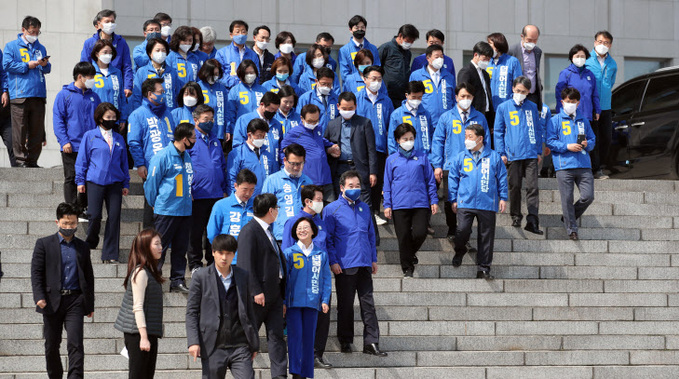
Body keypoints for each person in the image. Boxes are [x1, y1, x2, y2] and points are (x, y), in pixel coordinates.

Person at [323, 170, 386, 357]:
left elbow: (370, 235)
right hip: (344, 264)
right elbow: (328, 239)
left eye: (357, 186)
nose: (354, 189)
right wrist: (333, 261)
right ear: (342, 187)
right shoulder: (331, 209)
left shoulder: (365, 208)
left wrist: (373, 258)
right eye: (350, 186)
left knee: (368, 304)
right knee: (346, 305)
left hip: (364, 263)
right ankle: (345, 340)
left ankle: (371, 342)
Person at [30, 203, 95, 379]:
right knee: (52, 345)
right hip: (51, 301)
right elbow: (36, 272)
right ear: (57, 222)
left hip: (75, 301)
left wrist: (89, 304)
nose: (69, 227)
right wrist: (39, 296)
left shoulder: (82, 247)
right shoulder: (44, 244)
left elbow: (88, 276)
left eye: (72, 223)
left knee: (75, 344)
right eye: (65, 223)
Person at [186, 234, 260, 379]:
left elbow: (249, 311)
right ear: (213, 252)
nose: (224, 258)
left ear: (234, 254)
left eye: (228, 253)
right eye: (220, 253)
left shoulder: (243, 276)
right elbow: (191, 312)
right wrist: (193, 342)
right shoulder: (200, 277)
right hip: (213, 346)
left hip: (240, 345)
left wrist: (254, 343)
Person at [280, 185, 334, 369]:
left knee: (323, 318)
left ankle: (317, 354)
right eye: (319, 199)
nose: (321, 202)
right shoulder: (294, 222)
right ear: (307, 201)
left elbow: (328, 245)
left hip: (319, 277)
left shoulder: (320, 221)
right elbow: (286, 253)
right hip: (299, 281)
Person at [237, 193, 288, 379]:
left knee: (277, 338)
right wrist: (255, 290)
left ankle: (280, 375)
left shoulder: (268, 231)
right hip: (258, 296)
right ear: (271, 210)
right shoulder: (249, 231)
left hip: (274, 294)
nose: (278, 212)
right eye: (277, 209)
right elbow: (245, 264)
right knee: (249, 337)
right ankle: (243, 373)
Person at [431, 82, 490, 241]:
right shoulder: (446, 117)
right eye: (462, 96)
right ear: (456, 97)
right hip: (451, 166)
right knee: (451, 198)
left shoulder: (479, 118)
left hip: (473, 167)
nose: (465, 99)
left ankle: (465, 234)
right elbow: (438, 141)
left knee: (468, 201)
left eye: (469, 96)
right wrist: (437, 165)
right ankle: (452, 230)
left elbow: (487, 143)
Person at [449, 124, 508, 280]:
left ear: (480, 138)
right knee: (462, 230)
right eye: (465, 136)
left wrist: (503, 198)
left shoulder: (493, 157)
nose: (466, 140)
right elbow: (453, 178)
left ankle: (483, 268)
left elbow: (502, 178)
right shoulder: (461, 156)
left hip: (487, 202)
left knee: (486, 236)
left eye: (470, 136)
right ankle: (460, 249)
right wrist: (453, 198)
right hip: (465, 202)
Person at [144, 122, 195, 293]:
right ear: (185, 139)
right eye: (193, 137)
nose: (195, 140)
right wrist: (154, 203)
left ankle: (177, 280)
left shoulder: (186, 156)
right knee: (160, 246)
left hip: (185, 210)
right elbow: (151, 183)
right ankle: (154, 279)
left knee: (181, 248)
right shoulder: (163, 156)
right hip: (166, 209)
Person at [75, 102, 130, 263]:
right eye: (108, 117)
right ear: (100, 118)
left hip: (115, 183)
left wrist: (125, 183)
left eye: (114, 117)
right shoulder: (90, 136)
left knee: (114, 217)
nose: (111, 120)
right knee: (94, 215)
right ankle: (91, 242)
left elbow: (124, 163)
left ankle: (110, 254)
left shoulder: (119, 138)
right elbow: (82, 160)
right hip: (95, 181)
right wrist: (80, 180)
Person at [383, 123, 438, 277]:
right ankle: (407, 269)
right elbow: (387, 184)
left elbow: (430, 180)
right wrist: (387, 204)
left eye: (411, 138)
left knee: (420, 232)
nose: (408, 141)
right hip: (399, 205)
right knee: (403, 237)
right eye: (405, 138)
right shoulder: (391, 160)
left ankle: (409, 253)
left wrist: (433, 199)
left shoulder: (422, 157)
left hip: (420, 203)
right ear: (397, 140)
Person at [494, 76, 544, 235]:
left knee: (532, 187)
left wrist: (538, 151)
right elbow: (498, 132)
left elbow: (537, 130)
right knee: (514, 186)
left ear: (528, 92)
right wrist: (501, 152)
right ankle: (515, 215)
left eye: (523, 92)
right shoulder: (503, 108)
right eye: (517, 91)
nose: (520, 94)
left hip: (530, 153)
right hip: (512, 154)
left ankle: (532, 219)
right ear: (513, 89)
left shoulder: (532, 107)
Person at [284, 217, 332, 379]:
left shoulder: (321, 254)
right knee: (295, 338)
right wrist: (284, 301)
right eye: (299, 228)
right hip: (293, 303)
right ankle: (296, 373)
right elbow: (283, 280)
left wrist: (325, 300)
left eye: (305, 227)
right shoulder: (289, 253)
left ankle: (306, 374)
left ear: (313, 231)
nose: (302, 230)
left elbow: (326, 279)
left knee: (308, 339)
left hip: (312, 303)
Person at [114, 229, 165, 379]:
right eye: (156, 244)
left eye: (160, 243)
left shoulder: (150, 271)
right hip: (138, 334)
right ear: (145, 247)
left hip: (149, 332)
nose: (160, 247)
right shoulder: (141, 272)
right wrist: (143, 337)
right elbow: (138, 307)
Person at [546, 87, 596, 241]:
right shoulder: (555, 120)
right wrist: (567, 146)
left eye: (573, 102)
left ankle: (569, 216)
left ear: (578, 103)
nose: (570, 104)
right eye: (567, 102)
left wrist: (587, 144)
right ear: (562, 102)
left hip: (583, 164)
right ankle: (571, 229)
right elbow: (550, 141)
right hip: (564, 165)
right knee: (567, 198)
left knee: (588, 196)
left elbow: (593, 140)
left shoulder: (583, 120)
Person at [53, 62, 102, 215]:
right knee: (71, 177)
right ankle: (72, 210)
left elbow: (99, 119)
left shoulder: (94, 96)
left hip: (90, 146)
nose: (93, 80)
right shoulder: (64, 95)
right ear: (80, 77)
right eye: (90, 77)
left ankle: (83, 208)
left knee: (88, 177)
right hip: (71, 145)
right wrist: (64, 141)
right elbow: (58, 119)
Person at [127, 78, 176, 228]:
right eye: (160, 92)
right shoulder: (138, 114)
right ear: (150, 94)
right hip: (151, 167)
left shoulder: (168, 114)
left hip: (169, 166)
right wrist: (140, 164)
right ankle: (148, 239)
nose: (164, 94)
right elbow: (133, 142)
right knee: (151, 203)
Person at [4, 16, 51, 167]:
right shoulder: (11, 46)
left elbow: (47, 68)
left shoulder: (40, 47)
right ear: (23, 30)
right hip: (20, 94)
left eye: (37, 32)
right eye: (32, 31)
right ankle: (20, 160)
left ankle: (32, 161)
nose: (35, 35)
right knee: (20, 130)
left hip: (38, 94)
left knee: (37, 130)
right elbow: (7, 65)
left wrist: (44, 64)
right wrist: (26, 66)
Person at [187, 105, 228, 275]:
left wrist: (225, 189)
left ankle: (213, 261)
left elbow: (222, 167)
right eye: (205, 119)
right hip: (197, 194)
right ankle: (195, 263)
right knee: (195, 232)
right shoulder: (190, 139)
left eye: (211, 119)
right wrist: (188, 190)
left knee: (215, 232)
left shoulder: (216, 141)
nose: (209, 122)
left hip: (217, 194)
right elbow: (185, 166)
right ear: (195, 120)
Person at [355, 66, 394, 221]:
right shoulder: (357, 98)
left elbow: (391, 125)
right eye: (373, 79)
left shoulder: (386, 100)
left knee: (376, 182)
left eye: (379, 79)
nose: (376, 82)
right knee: (361, 180)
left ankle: (376, 211)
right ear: (365, 79)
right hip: (360, 148)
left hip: (379, 146)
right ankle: (361, 211)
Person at [324, 92, 377, 206]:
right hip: (339, 168)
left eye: (350, 108)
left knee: (364, 204)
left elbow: (371, 149)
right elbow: (325, 146)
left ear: (355, 106)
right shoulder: (332, 124)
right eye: (344, 108)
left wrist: (372, 172)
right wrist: (330, 150)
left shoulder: (364, 123)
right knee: (342, 204)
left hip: (359, 167)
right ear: (338, 106)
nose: (347, 111)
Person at [280, 104, 339, 198]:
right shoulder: (295, 133)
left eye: (316, 120)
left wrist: (331, 146)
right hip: (309, 180)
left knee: (330, 209)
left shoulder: (318, 128)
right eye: (310, 121)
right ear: (302, 118)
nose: (313, 124)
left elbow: (320, 140)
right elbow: (283, 150)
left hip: (325, 177)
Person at [262, 143, 313, 241]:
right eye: (293, 163)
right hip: (281, 236)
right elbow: (264, 210)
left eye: (300, 164)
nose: (296, 167)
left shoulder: (308, 181)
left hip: (304, 237)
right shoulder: (272, 180)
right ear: (285, 160)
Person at [555, 45, 600, 150]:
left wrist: (597, 110)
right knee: (569, 141)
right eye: (577, 56)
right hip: (570, 116)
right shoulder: (566, 73)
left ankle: (582, 164)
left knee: (582, 143)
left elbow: (594, 94)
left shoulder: (590, 75)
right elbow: (559, 94)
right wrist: (560, 112)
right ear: (571, 57)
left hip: (585, 116)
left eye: (582, 56)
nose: (580, 58)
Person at [80, 9, 133, 97]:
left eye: (112, 21)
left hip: (116, 86)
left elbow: (127, 67)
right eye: (107, 21)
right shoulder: (90, 43)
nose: (110, 24)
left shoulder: (121, 43)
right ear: (99, 24)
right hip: (96, 86)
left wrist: (128, 86)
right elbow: (84, 66)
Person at [585, 31, 617, 180]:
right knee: (594, 139)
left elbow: (610, 83)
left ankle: (600, 167)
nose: (602, 45)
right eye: (599, 41)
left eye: (606, 43)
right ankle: (595, 170)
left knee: (607, 138)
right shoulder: (587, 61)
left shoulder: (612, 64)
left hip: (606, 106)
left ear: (610, 45)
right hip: (591, 106)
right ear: (594, 42)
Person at [206, 168, 257, 258]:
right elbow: (212, 233)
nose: (248, 193)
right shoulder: (221, 205)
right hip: (228, 259)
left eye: (252, 190)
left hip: (251, 258)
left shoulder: (256, 205)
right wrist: (221, 253)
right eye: (244, 189)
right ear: (235, 186)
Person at [232, 91, 283, 168]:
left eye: (276, 110)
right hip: (252, 167)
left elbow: (281, 148)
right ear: (262, 105)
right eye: (272, 109)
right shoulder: (244, 120)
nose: (274, 112)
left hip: (273, 169)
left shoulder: (277, 125)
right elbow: (238, 146)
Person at [409, 44, 456, 126]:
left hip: (445, 123)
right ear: (428, 58)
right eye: (436, 57)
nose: (440, 59)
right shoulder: (416, 75)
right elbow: (410, 99)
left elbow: (454, 99)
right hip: (424, 122)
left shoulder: (449, 77)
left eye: (442, 57)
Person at [227, 119, 276, 197]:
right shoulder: (237, 154)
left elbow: (274, 177)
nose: (261, 139)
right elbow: (231, 179)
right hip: (246, 199)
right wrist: (235, 199)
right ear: (249, 135)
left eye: (263, 136)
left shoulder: (268, 155)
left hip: (265, 200)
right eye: (259, 136)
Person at [387, 81, 434, 160]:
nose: (416, 100)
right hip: (404, 159)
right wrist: (395, 159)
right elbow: (392, 139)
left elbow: (431, 136)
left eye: (419, 97)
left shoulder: (426, 114)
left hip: (425, 158)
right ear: (406, 95)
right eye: (413, 97)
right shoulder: (396, 115)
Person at [132, 37, 181, 110]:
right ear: (150, 53)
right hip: (148, 114)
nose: (161, 53)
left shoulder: (172, 72)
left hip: (169, 113)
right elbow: (137, 96)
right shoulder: (142, 71)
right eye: (157, 50)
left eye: (163, 50)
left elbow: (177, 94)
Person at [90, 39, 129, 130]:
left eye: (110, 52)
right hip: (96, 121)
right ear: (97, 54)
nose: (108, 55)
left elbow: (122, 97)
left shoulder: (117, 72)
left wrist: (123, 118)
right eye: (105, 52)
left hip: (113, 120)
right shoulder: (90, 72)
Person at [378, 24, 419, 108]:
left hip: (401, 96)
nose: (410, 43)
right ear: (400, 36)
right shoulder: (386, 48)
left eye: (412, 41)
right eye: (408, 40)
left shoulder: (408, 53)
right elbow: (376, 68)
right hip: (387, 94)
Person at [225, 59, 267, 136]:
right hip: (241, 130)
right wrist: (231, 130)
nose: (250, 75)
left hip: (260, 131)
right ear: (241, 74)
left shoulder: (263, 90)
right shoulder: (234, 90)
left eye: (252, 72)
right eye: (247, 73)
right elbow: (230, 113)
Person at [457, 42, 494, 126]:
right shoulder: (466, 72)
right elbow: (463, 94)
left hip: (487, 114)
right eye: (484, 59)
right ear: (476, 55)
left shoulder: (485, 74)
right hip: (473, 114)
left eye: (489, 59)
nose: (487, 62)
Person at [507, 25, 543, 108]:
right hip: (517, 94)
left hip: (533, 95)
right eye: (529, 40)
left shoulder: (538, 51)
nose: (532, 43)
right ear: (522, 36)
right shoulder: (512, 50)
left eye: (535, 40)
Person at [216, 20, 260, 87]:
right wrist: (237, 83)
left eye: (243, 32)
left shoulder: (253, 55)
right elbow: (219, 75)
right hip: (228, 91)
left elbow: (257, 74)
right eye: (237, 32)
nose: (241, 35)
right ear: (231, 35)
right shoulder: (222, 53)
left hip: (248, 91)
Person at [296, 67, 340, 133]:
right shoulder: (306, 98)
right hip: (312, 137)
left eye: (329, 84)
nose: (326, 86)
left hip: (331, 138)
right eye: (323, 84)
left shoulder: (336, 99)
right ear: (316, 81)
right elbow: (299, 119)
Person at [487, 32, 523, 112]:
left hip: (507, 108)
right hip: (488, 109)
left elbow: (519, 84)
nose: (487, 47)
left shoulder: (512, 61)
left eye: (490, 44)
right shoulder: (487, 62)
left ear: (497, 44)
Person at [338, 15, 381, 81]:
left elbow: (377, 68)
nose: (360, 30)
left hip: (371, 85)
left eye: (362, 27)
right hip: (352, 87)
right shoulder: (344, 50)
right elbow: (345, 74)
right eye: (356, 28)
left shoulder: (373, 48)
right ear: (350, 29)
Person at [197, 59, 230, 142]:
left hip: (218, 131)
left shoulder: (222, 88)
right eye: (212, 74)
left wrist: (227, 129)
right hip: (201, 131)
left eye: (216, 74)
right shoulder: (198, 86)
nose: (214, 76)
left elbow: (226, 110)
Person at [0, 47, 17, 167]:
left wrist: (5, 91)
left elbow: (4, 72)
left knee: (13, 143)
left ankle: (19, 178)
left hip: (4, 113)